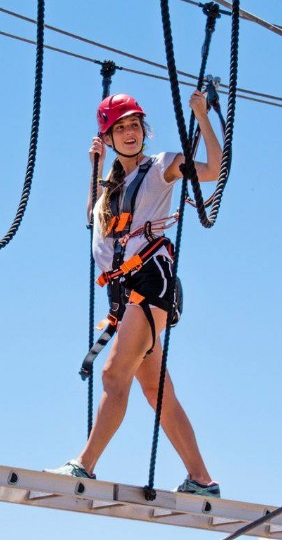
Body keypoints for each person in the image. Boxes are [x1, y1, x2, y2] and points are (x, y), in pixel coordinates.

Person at [45, 91, 222, 497]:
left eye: (133, 125)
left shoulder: (163, 166)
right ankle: (201, 478)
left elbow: (213, 169)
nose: (129, 132)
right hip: (125, 296)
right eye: (119, 128)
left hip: (149, 284)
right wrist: (96, 168)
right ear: (107, 137)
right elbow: (95, 220)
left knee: (112, 374)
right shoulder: (110, 184)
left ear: (144, 129)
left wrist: (201, 116)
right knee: (156, 390)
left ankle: (84, 466)